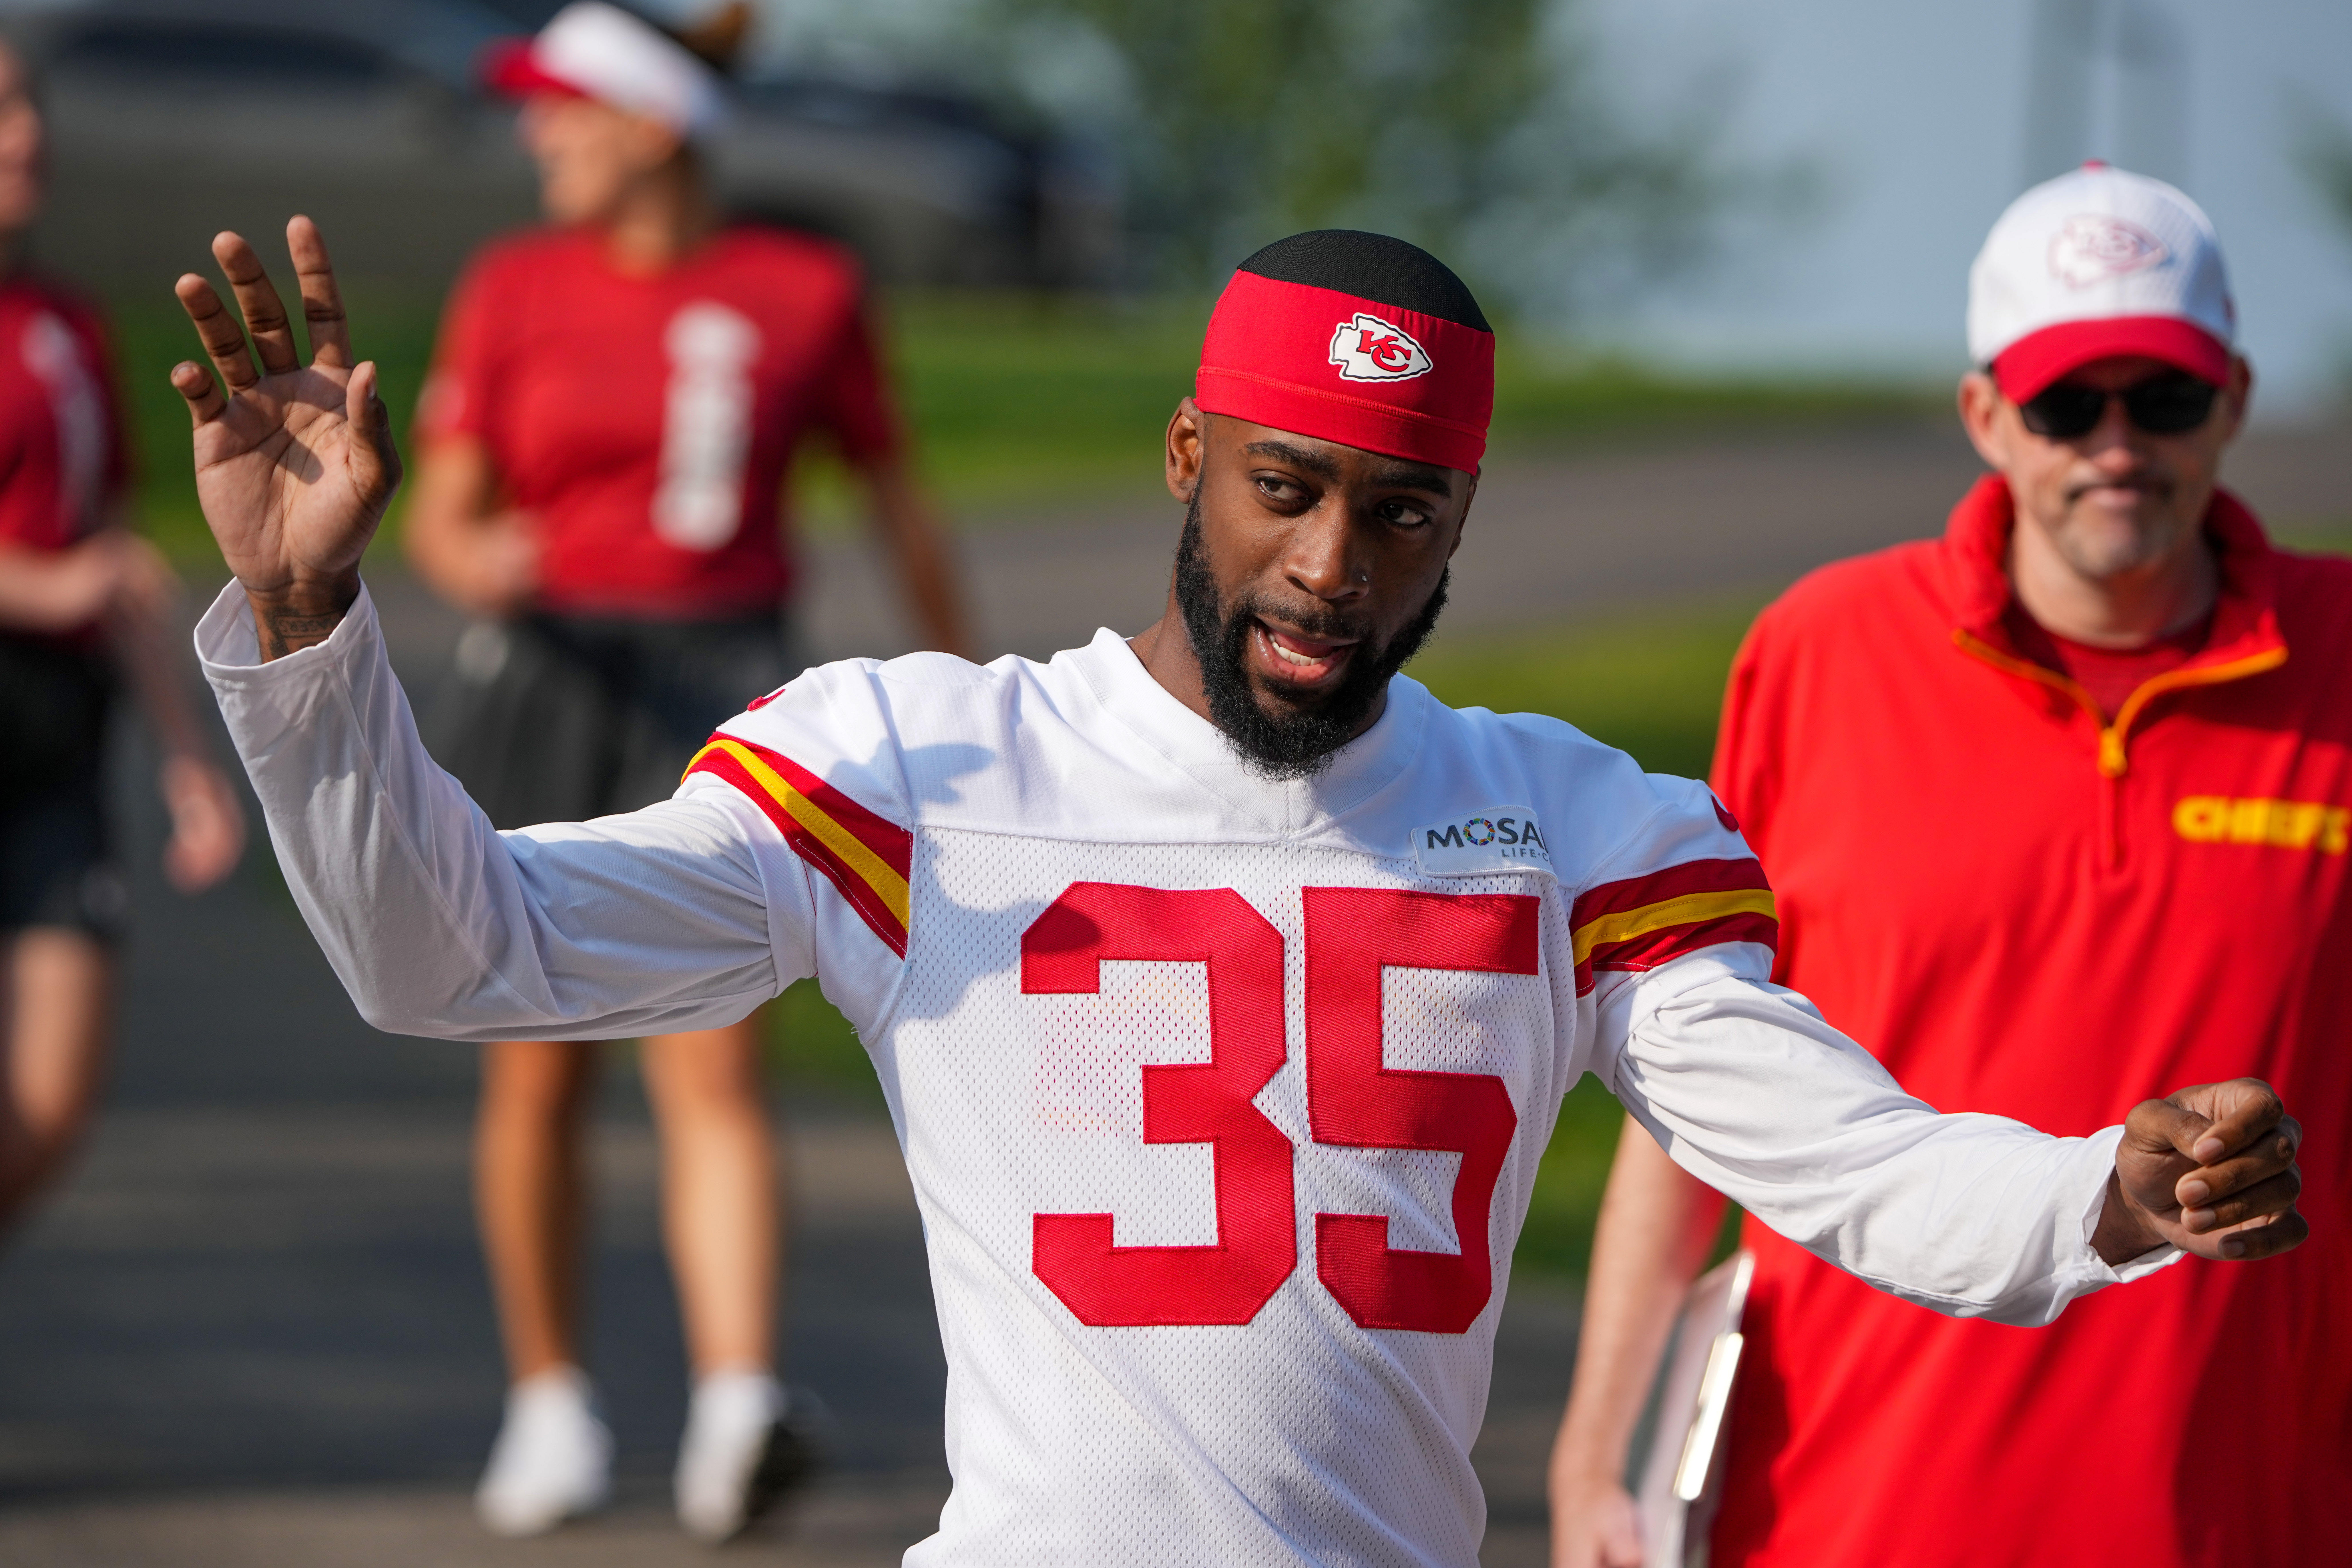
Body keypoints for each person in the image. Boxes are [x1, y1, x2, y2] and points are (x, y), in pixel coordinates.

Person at [171, 214, 2305, 1568]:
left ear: (1457, 523)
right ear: (1186, 454)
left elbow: (1851, 1167)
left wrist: (2091, 1195)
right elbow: (459, 955)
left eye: (1399, 516)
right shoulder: (923, 766)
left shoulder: (1579, 827)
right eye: (1286, 490)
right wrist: (314, 637)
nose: (1328, 570)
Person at [1547, 164, 2347, 1568]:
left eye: (2157, 399)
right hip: (1842, 1511)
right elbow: (1690, 1077)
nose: (2114, 445)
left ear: (2229, 399)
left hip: (2238, 1514)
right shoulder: (1819, 652)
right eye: (2063, 404)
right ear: (1983, 414)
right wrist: (1594, 1453)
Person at [401, 3, 970, 1541]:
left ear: (653, 124)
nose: (539, 135)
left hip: (727, 684)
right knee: (536, 1052)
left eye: (567, 108)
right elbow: (441, 512)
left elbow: (896, 504)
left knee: (712, 1052)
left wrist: (979, 708)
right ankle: (552, 1402)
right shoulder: (513, 287)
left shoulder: (804, 288)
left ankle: (737, 1399)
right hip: (554, 672)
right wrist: (478, 557)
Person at [0, 40, 243, 1236]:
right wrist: (41, 585)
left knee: (49, 1107)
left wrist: (186, 752)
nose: (22, 136)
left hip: (59, 737)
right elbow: (68, 570)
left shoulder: (66, 323)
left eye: (28, 108)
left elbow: (114, 556)